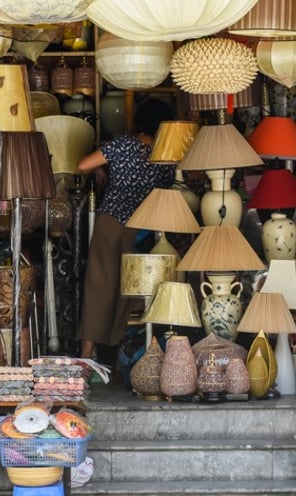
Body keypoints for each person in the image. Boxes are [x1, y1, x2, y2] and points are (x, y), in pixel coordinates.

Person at [77, 98, 176, 362]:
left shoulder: (123, 144)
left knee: (99, 285)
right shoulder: (166, 153)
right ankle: (125, 349)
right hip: (145, 228)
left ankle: (88, 353)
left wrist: (100, 169)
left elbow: (82, 165)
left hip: (111, 221)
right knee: (134, 289)